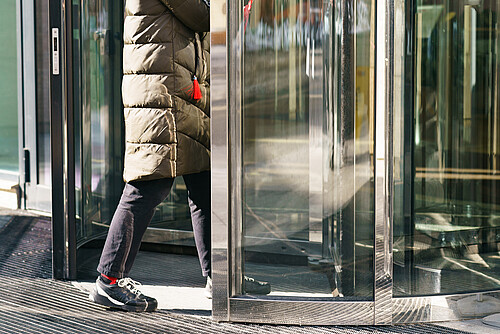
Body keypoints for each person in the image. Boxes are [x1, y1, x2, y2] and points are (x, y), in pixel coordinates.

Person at [89, 0, 269, 313]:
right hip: (160, 92)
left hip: (183, 90)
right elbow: (201, 16)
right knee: (149, 184)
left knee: (205, 185)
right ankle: (109, 279)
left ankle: (220, 277)